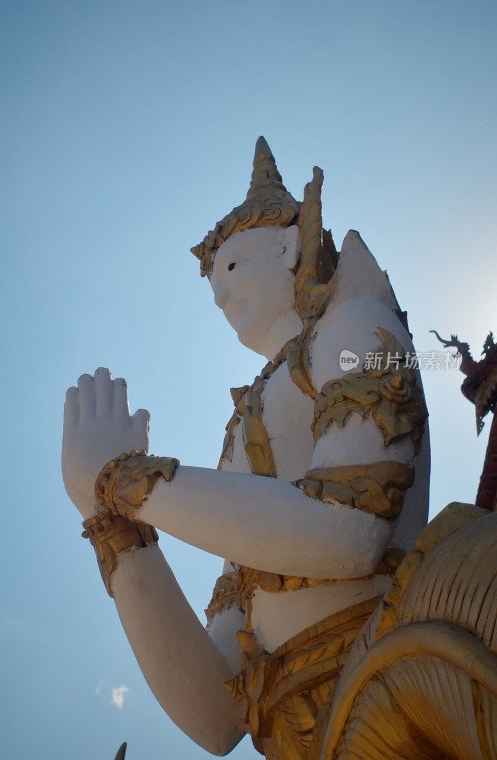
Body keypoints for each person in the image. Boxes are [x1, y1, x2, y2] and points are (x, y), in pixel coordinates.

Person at [62, 138, 430, 759]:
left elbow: (349, 528)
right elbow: (218, 715)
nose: (221, 297)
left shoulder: (355, 324)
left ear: (287, 245)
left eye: (231, 269)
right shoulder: (240, 435)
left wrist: (127, 482)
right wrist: (110, 524)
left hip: (395, 695)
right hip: (295, 736)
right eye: (212, 286)